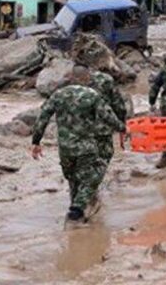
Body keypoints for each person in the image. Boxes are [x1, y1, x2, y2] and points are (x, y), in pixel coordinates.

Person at [31, 66, 125, 222]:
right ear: (87, 78)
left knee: (72, 177)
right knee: (94, 174)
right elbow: (108, 116)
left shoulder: (58, 94)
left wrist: (36, 141)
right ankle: (78, 208)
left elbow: (43, 118)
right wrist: (123, 128)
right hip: (86, 146)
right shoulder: (92, 95)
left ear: (70, 78)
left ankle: (75, 211)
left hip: (65, 148)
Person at [89, 71, 128, 177]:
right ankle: (95, 179)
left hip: (79, 128)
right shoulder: (105, 79)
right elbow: (117, 103)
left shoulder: (74, 78)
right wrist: (121, 122)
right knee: (105, 154)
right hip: (102, 126)